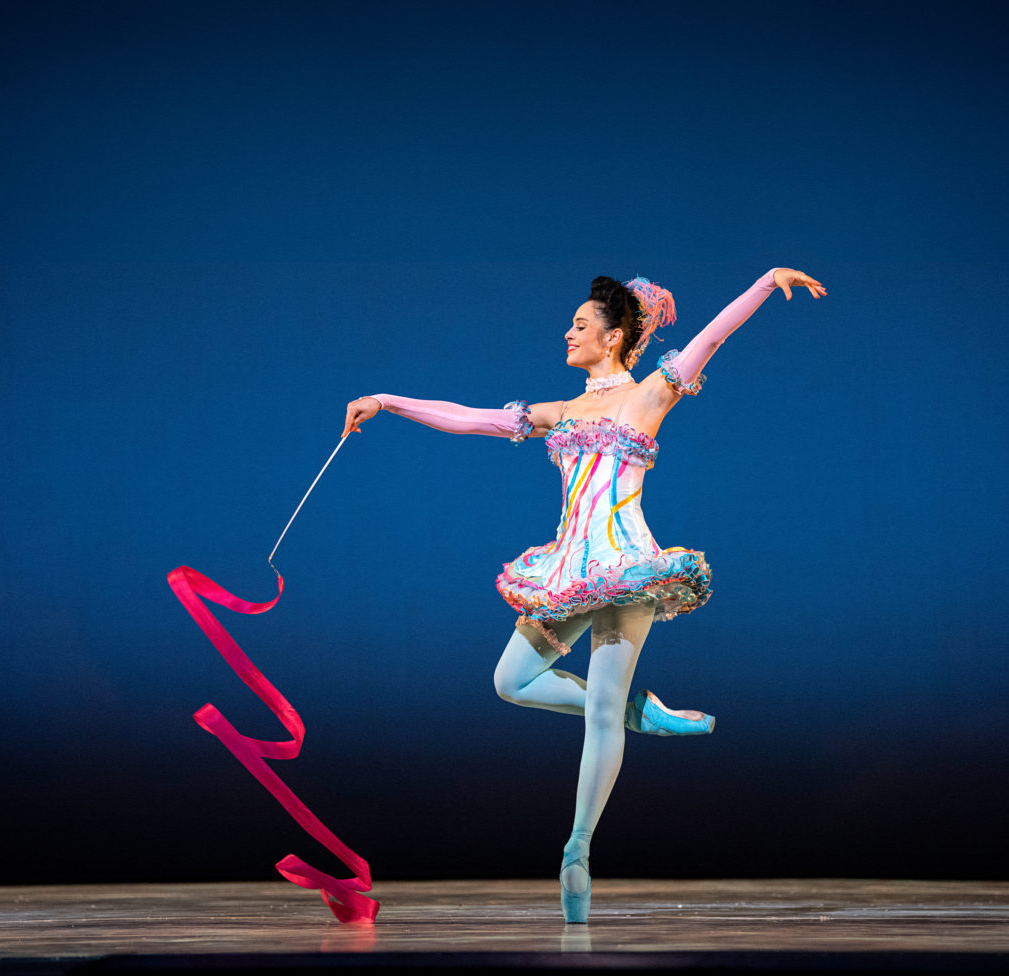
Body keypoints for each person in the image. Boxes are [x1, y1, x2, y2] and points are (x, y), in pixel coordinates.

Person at [342, 266, 826, 923]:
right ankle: (638, 712)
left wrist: (767, 282)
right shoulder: (560, 412)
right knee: (510, 680)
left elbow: (711, 337)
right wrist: (388, 400)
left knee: (597, 706)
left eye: (580, 325)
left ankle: (577, 850)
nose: (567, 333)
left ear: (614, 337)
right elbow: (469, 419)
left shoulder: (649, 394)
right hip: (569, 569)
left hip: (626, 566)